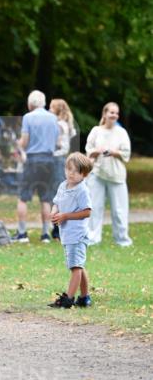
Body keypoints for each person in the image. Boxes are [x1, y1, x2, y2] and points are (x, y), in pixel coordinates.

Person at [85, 102, 133, 247]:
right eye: (111, 112)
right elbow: (88, 151)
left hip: (116, 176)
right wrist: (97, 151)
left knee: (119, 210)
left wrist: (113, 152)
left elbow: (126, 154)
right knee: (94, 208)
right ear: (105, 114)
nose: (114, 115)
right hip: (97, 173)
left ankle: (122, 239)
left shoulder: (121, 132)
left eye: (116, 113)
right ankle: (93, 238)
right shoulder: (96, 131)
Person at [15, 90, 60, 243]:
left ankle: (22, 233)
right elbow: (57, 141)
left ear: (30, 103)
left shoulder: (28, 117)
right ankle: (45, 234)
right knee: (46, 199)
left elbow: (24, 141)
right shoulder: (53, 118)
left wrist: (17, 145)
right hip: (49, 160)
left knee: (23, 197)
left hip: (32, 160)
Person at [48, 153, 93, 308]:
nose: (71, 173)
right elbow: (56, 203)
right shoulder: (63, 185)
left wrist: (65, 216)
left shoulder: (82, 190)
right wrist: (54, 211)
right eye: (68, 169)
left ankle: (68, 299)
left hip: (77, 235)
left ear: (84, 174)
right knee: (78, 265)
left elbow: (87, 212)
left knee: (75, 267)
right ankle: (84, 298)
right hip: (67, 234)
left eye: (76, 171)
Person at [49, 98, 77, 240]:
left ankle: (57, 230)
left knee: (56, 195)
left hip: (56, 159)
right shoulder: (66, 124)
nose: (49, 110)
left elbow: (57, 143)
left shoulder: (59, 125)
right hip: (63, 160)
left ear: (57, 110)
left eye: (51, 108)